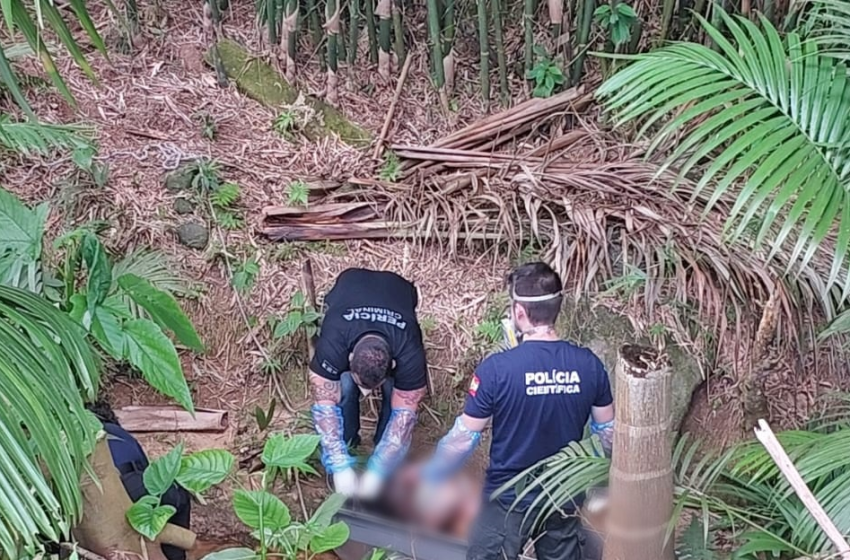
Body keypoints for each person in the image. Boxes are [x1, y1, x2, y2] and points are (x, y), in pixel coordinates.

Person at [418, 262, 615, 560]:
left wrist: (432, 476)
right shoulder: (589, 365)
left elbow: (464, 437)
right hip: (564, 494)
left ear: (519, 312)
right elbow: (608, 436)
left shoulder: (497, 370)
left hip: (508, 498)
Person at [310, 268, 428, 500]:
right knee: (344, 386)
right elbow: (325, 403)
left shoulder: (409, 351)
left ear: (393, 363)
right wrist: (339, 465)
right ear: (349, 358)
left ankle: (380, 447)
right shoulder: (334, 339)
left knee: (392, 391)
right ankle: (349, 440)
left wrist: (378, 471)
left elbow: (404, 414)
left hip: (399, 290)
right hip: (350, 283)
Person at [87, 402, 192, 560]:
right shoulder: (116, 432)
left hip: (95, 500)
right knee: (180, 496)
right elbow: (148, 473)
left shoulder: (74, 441)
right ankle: (175, 555)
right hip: (131, 483)